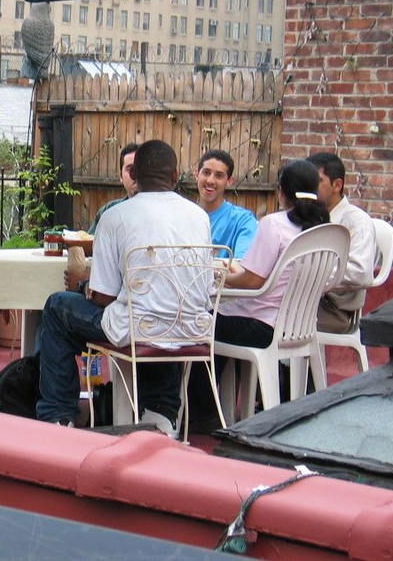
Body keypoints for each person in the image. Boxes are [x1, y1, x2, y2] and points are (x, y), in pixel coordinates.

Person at [36, 140, 213, 433]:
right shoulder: (199, 216)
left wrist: (84, 289)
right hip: (190, 327)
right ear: (175, 175)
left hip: (137, 329)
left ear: (135, 176)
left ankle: (57, 417)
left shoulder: (116, 216)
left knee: (57, 307)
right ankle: (162, 414)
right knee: (161, 314)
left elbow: (103, 297)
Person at [216, 159, 330, 348]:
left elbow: (253, 282)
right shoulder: (325, 229)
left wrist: (221, 276)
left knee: (199, 321)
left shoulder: (275, 224)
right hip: (300, 327)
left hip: (261, 325)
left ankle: (204, 380)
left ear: (281, 191)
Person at [306, 152, 377, 333]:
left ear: (337, 185)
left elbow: (361, 273)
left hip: (334, 310)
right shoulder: (304, 215)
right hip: (302, 301)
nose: (309, 187)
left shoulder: (357, 222)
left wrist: (308, 274)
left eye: (317, 181)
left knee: (265, 319)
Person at [64, 142, 139, 293]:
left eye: (140, 169)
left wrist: (83, 283)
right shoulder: (108, 212)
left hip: (119, 301)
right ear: (120, 177)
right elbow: (90, 246)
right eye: (130, 169)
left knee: (56, 302)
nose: (135, 175)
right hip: (107, 292)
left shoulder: (158, 215)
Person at [195, 149, 258, 259]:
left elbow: (241, 265)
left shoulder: (242, 220)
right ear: (197, 175)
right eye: (206, 173)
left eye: (219, 176)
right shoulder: (182, 216)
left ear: (229, 182)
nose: (210, 180)